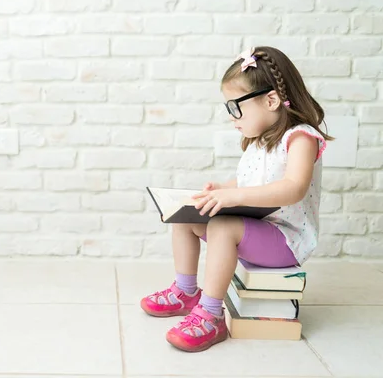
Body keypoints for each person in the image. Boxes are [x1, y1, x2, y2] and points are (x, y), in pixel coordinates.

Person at [140, 46, 333, 353]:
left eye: (235, 107)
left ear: (270, 101)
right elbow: (249, 184)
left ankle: (211, 315)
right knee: (187, 213)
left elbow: (293, 187)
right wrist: (221, 189)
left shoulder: (301, 138)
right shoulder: (260, 142)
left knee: (222, 228)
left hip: (285, 240)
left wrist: (235, 196)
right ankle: (186, 290)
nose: (232, 117)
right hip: (258, 229)